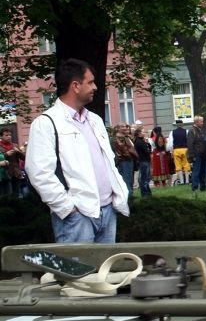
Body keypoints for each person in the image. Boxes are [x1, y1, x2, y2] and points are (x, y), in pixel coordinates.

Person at [27, 58, 129, 243]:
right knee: (77, 271)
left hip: (107, 211)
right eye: (90, 82)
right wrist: (68, 209)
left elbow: (108, 163)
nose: (95, 87)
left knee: (105, 271)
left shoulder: (95, 120)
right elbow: (39, 173)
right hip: (77, 217)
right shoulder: (47, 123)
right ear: (75, 85)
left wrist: (117, 196)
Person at [112, 123, 137, 193]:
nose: (125, 127)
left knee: (130, 179)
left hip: (128, 160)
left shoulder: (125, 137)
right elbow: (124, 150)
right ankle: (129, 197)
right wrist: (133, 155)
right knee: (127, 180)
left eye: (125, 126)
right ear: (118, 128)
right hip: (124, 160)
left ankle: (130, 195)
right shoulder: (119, 137)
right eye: (122, 126)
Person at [0, 127, 25, 197]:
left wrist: (19, 152)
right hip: (5, 174)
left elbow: (24, 158)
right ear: (1, 136)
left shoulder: (15, 145)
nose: (9, 137)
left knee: (16, 194)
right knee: (7, 195)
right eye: (6, 135)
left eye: (10, 135)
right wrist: (6, 154)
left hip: (16, 173)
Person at [187, 115, 206, 191]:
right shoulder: (192, 131)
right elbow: (190, 144)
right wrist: (192, 155)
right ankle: (194, 187)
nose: (202, 123)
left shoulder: (201, 130)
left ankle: (203, 186)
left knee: (202, 170)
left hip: (203, 154)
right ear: (196, 122)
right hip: (196, 154)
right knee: (196, 170)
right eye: (201, 121)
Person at [168, 119, 191, 185]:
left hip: (176, 150)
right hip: (185, 149)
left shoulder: (172, 132)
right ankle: (187, 181)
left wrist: (170, 151)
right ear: (182, 124)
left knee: (178, 166)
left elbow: (170, 143)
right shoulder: (186, 131)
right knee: (186, 165)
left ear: (176, 125)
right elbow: (189, 141)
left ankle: (181, 181)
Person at [133, 125, 152, 197]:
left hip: (144, 160)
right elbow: (146, 151)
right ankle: (145, 194)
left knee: (145, 178)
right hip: (144, 161)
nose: (144, 133)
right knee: (144, 179)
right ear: (139, 133)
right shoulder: (139, 142)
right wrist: (148, 151)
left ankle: (147, 193)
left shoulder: (140, 141)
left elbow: (148, 148)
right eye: (143, 132)